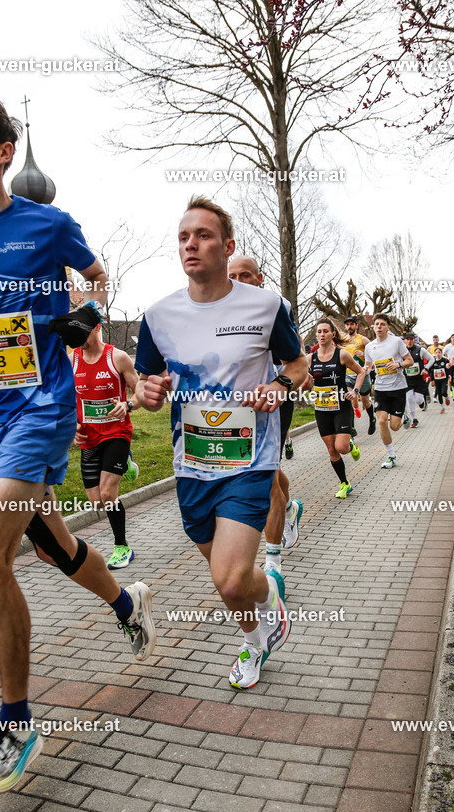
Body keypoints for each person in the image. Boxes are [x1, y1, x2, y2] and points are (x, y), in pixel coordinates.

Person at [0, 91, 154, 794]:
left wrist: (87, 314)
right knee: (47, 544)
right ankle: (126, 605)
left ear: (4, 150)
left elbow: (100, 280)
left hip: (42, 407)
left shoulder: (48, 225)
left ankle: (17, 724)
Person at [132, 197, 307, 691]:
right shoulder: (158, 315)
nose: (192, 244)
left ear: (227, 248)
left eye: (204, 236)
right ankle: (270, 599)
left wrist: (280, 387)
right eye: (185, 236)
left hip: (250, 459)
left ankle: (254, 644)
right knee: (235, 579)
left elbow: (298, 367)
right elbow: (147, 383)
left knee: (229, 581)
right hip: (192, 464)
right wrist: (145, 391)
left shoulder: (266, 306)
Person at [227, 255, 303, 571]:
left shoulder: (277, 305)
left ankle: (272, 562)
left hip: (270, 400)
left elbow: (296, 356)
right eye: (232, 275)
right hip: (232, 406)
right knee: (260, 470)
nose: (238, 281)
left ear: (260, 279)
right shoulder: (214, 307)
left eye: (246, 275)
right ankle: (288, 509)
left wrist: (285, 381)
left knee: (266, 478)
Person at [72, 319, 140, 569]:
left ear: (97, 327)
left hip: (116, 432)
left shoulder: (118, 357)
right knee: (96, 502)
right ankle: (127, 464)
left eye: (83, 329)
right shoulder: (73, 360)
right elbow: (68, 398)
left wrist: (129, 404)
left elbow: (140, 391)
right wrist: (71, 425)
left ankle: (122, 547)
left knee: (108, 495)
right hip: (89, 437)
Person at [305, 317, 366, 498]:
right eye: (319, 331)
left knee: (341, 447)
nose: (322, 334)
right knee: (331, 450)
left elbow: (361, 372)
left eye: (325, 331)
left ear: (333, 333)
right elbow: (305, 382)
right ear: (316, 335)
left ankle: (350, 444)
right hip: (322, 409)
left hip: (341, 406)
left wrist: (355, 391)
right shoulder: (310, 358)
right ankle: (345, 483)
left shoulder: (342, 355)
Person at [362, 314, 414, 469]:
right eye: (376, 324)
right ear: (373, 327)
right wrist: (364, 369)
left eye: (382, 324)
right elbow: (368, 365)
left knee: (395, 427)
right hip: (380, 389)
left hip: (398, 388)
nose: (379, 327)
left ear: (388, 327)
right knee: (382, 421)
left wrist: (398, 365)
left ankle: (403, 416)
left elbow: (409, 361)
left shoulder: (397, 342)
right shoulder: (369, 346)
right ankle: (391, 456)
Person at [342, 315, 377, 435]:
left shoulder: (363, 339)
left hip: (362, 375)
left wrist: (364, 357)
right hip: (348, 376)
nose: (349, 326)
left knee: (365, 401)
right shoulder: (343, 340)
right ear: (345, 326)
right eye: (347, 324)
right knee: (350, 399)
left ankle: (372, 419)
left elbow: (374, 353)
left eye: (352, 324)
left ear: (356, 326)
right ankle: (351, 427)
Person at [402, 332, 433, 428]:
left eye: (411, 339)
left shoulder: (420, 350)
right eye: (407, 339)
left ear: (414, 340)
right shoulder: (402, 351)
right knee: (409, 398)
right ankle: (414, 419)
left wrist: (426, 369)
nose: (409, 341)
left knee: (418, 400)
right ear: (405, 340)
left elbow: (431, 359)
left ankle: (422, 403)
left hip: (418, 379)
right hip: (407, 379)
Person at [442, 333, 454, 399]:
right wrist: (447, 360)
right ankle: (451, 390)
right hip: (450, 364)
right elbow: (442, 354)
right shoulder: (448, 346)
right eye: (453, 337)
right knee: (450, 379)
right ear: (451, 339)